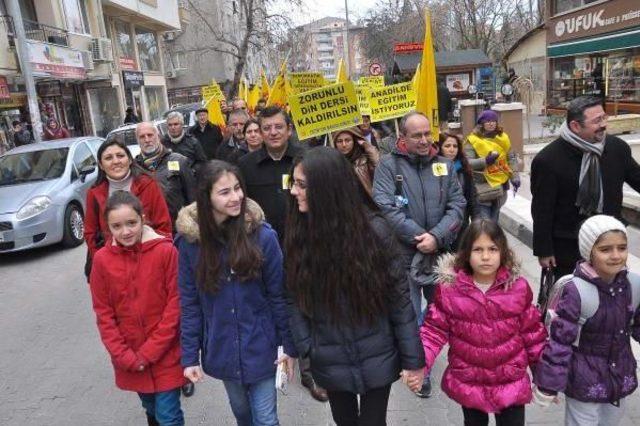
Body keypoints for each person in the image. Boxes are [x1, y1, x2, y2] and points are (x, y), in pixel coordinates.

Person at [285, 147, 425, 425]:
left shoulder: (375, 231)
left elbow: (399, 300)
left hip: (377, 352)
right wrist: (307, 348)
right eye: (294, 183)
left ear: (327, 188)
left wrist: (414, 360)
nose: (293, 191)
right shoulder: (299, 234)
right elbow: (293, 298)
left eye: (301, 185)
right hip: (329, 354)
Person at [176, 160, 296, 425]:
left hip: (261, 345)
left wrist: (288, 345)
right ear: (206, 198)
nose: (236, 197)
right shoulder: (189, 245)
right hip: (222, 347)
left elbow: (279, 295)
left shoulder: (263, 236)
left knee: (265, 419)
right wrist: (189, 356)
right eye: (225, 192)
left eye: (238, 188)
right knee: (243, 413)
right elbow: (190, 303)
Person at [373, 111, 466, 398]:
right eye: (417, 135)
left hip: (439, 256)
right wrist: (419, 237)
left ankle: (444, 357)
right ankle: (419, 368)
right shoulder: (388, 166)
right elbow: (386, 207)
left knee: (445, 313)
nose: (425, 140)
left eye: (428, 133)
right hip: (403, 255)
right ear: (403, 137)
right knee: (410, 315)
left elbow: (458, 205)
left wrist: (437, 236)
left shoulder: (445, 166)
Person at [418, 219, 547, 426]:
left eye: (492, 249)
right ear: (466, 253)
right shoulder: (450, 291)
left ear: (503, 251)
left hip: (509, 379)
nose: (485, 257)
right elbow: (433, 331)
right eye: (478, 249)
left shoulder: (518, 289)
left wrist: (546, 378)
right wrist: (419, 364)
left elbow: (533, 336)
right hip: (470, 379)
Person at [238, 105, 325, 402]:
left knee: (308, 307)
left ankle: (312, 371)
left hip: (305, 245)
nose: (273, 132)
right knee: (279, 309)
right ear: (258, 133)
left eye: (278, 127)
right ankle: (279, 359)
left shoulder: (306, 160)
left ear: (289, 129)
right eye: (266, 128)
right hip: (264, 254)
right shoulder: (246, 166)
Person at [89, 191, 185, 426]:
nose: (126, 231)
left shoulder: (166, 252)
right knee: (151, 407)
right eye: (117, 226)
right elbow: (104, 313)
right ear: (108, 227)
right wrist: (123, 355)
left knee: (168, 415)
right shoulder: (101, 260)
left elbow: (176, 303)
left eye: (132, 223)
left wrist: (150, 352)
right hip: (130, 355)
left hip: (166, 352)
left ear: (143, 218)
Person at [534, 215, 640, 425]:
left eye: (622, 247)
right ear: (588, 252)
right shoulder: (577, 290)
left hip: (619, 375)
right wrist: (548, 384)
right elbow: (560, 341)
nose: (616, 255)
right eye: (605, 249)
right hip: (583, 380)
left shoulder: (633, 285)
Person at [531, 96, 640, 280]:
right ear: (575, 126)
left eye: (604, 118)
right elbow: (542, 210)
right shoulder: (548, 160)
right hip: (568, 247)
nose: (604, 124)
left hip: (610, 243)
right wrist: (544, 250)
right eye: (597, 121)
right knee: (574, 303)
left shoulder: (617, 149)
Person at [84, 139, 172, 272]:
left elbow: (164, 226)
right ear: (101, 165)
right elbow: (90, 232)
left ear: (130, 160)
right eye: (108, 158)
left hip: (149, 264)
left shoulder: (148, 185)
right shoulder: (94, 193)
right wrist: (104, 260)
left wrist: (154, 258)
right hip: (113, 268)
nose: (115, 161)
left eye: (120, 155)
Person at [135, 122, 196, 227]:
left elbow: (193, 197)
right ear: (138, 141)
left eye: (150, 135)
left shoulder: (179, 161)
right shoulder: (134, 168)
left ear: (158, 136)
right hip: (151, 231)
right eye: (142, 137)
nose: (147, 139)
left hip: (178, 230)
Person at [464, 109, 520, 222]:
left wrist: (515, 177)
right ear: (481, 123)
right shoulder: (473, 140)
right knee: (485, 224)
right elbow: (467, 162)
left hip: (501, 186)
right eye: (487, 121)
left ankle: (493, 238)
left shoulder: (503, 138)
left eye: (493, 121)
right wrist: (486, 161)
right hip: (483, 186)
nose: (491, 123)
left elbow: (511, 158)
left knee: (495, 221)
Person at [438, 131, 478, 248]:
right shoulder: (433, 169)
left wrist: (476, 223)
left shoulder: (464, 168)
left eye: (455, 146)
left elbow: (471, 197)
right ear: (440, 147)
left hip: (461, 223)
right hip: (439, 223)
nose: (452, 149)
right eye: (447, 146)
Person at [331, 127, 380, 195]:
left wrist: (368, 147)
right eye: (339, 141)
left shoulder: (365, 160)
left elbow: (381, 171)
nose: (344, 145)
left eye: (348, 140)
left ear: (355, 141)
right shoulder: (331, 164)